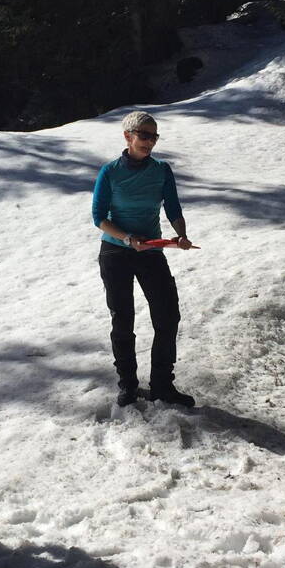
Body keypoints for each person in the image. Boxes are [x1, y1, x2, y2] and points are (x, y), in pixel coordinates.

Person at [91, 111, 197, 408]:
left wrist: (181, 235)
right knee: (122, 319)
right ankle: (128, 385)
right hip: (115, 251)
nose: (150, 142)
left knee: (167, 316)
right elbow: (98, 218)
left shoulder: (161, 170)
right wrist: (127, 238)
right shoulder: (110, 172)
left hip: (150, 249)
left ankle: (162, 385)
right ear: (128, 136)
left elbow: (173, 208)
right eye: (144, 135)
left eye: (154, 136)